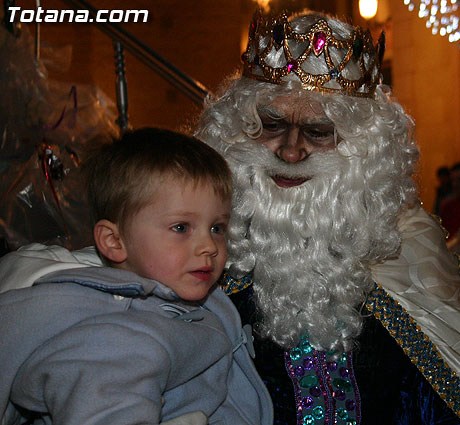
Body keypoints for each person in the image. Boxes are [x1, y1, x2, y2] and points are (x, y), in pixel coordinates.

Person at [0, 12, 460, 425]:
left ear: (362, 152)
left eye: (319, 132)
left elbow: (458, 400)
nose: (292, 151)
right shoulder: (188, 260)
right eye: (271, 125)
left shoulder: (405, 253)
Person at [0, 128, 273, 425]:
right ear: (114, 242)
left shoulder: (182, 301)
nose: (209, 246)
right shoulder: (115, 337)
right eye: (181, 228)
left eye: (217, 228)